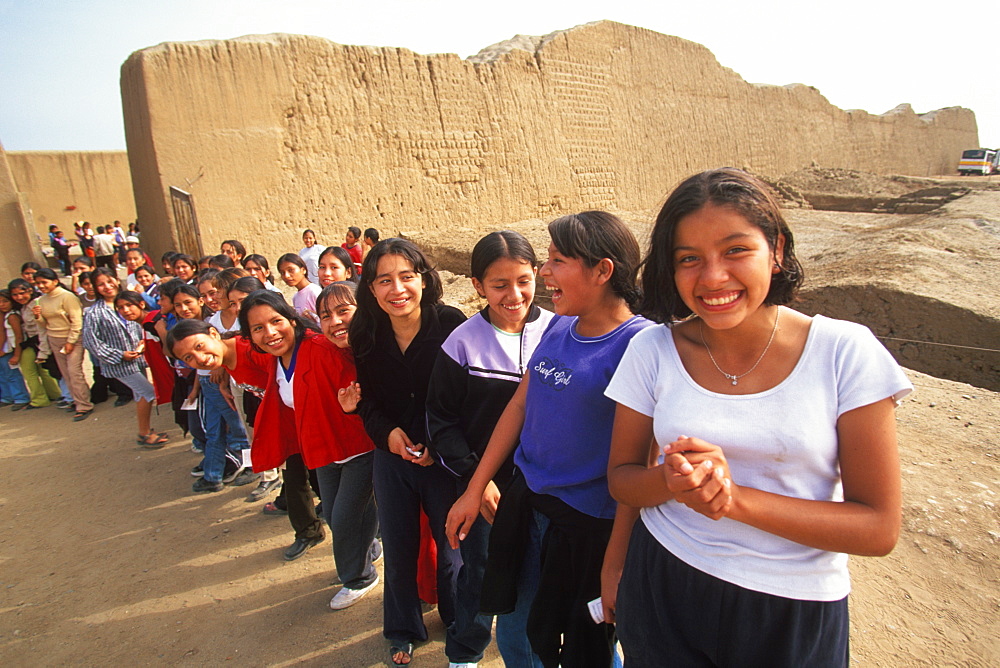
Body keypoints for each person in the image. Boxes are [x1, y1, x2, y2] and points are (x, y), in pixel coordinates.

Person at [602, 168, 912, 667]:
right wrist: (671, 481)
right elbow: (622, 480)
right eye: (689, 259)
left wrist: (734, 499)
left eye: (735, 250)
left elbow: (878, 528)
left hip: (790, 608)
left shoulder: (842, 353)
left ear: (778, 250)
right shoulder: (652, 350)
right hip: (663, 580)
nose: (713, 277)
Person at [446, 211, 651, 668]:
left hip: (586, 528)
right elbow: (520, 406)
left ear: (602, 270)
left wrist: (615, 561)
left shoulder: (639, 345)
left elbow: (639, 464)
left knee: (587, 645)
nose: (544, 272)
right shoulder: (561, 324)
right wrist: (474, 487)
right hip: (530, 509)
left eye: (557, 260)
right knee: (518, 633)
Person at [427, 231, 555, 668]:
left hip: (547, 487)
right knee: (481, 571)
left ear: (537, 275)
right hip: (486, 489)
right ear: (478, 286)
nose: (514, 294)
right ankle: (466, 651)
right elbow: (441, 421)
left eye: (523, 280)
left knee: (540, 575)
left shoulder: (560, 332)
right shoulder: (461, 342)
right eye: (499, 285)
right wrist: (474, 481)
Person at [350, 238, 466, 666]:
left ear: (423, 280)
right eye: (384, 280)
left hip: (443, 458)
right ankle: (402, 629)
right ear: (371, 287)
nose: (396, 289)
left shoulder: (451, 323)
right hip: (392, 459)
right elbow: (367, 402)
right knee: (398, 548)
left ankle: (459, 624)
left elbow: (465, 396)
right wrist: (389, 437)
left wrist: (435, 445)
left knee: (452, 545)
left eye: (406, 277)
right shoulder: (365, 332)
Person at [243, 287, 380, 606]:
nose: (270, 333)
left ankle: (359, 576)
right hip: (323, 451)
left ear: (291, 319)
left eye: (275, 321)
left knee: (345, 517)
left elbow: (362, 385)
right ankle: (367, 549)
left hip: (358, 447)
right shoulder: (276, 361)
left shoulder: (321, 347)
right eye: (258, 328)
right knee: (334, 514)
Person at [81, 270, 166, 447]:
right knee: (148, 393)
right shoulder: (95, 312)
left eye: (109, 281)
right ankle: (143, 433)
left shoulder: (126, 301)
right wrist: (119, 355)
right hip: (120, 364)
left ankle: (146, 430)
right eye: (101, 284)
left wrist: (142, 343)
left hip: (138, 359)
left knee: (140, 395)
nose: (107, 286)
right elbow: (91, 342)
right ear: (96, 288)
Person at [32, 268, 94, 420]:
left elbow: (76, 321)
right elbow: (44, 325)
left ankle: (84, 405)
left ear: (55, 281)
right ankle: (76, 400)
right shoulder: (42, 299)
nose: (41, 286)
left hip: (72, 339)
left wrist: (71, 341)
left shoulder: (67, 297)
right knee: (66, 374)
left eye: (44, 282)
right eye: (38, 283)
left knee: (74, 372)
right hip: (54, 339)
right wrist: (38, 317)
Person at [6, 279, 62, 409]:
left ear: (30, 290)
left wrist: (43, 349)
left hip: (40, 341)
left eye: (22, 293)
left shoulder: (36, 304)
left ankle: (40, 400)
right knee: (43, 370)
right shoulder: (24, 306)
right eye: (15, 295)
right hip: (33, 342)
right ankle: (54, 394)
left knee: (31, 371)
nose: (19, 297)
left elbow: (41, 328)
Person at [0, 289, 31, 410]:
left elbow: (18, 337)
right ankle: (7, 397)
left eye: (5, 301)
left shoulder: (12, 316)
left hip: (8, 350)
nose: (2, 304)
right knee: (3, 374)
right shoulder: (5, 315)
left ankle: (21, 397)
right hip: (6, 349)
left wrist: (16, 355)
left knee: (11, 374)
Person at [277, 253, 321, 321]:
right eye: (282, 273)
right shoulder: (295, 297)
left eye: (290, 270)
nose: (286, 276)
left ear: (303, 270)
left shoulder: (314, 291)